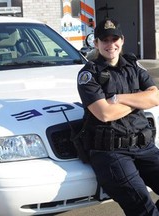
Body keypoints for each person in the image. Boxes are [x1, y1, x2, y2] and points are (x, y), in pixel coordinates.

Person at [77, 18, 159, 216]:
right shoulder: (89, 74)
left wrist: (119, 98)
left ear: (122, 40)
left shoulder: (133, 65)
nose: (110, 44)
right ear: (95, 43)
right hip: (111, 153)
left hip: (143, 146)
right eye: (104, 40)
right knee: (143, 207)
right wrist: (139, 99)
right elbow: (104, 113)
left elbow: (155, 96)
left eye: (114, 39)